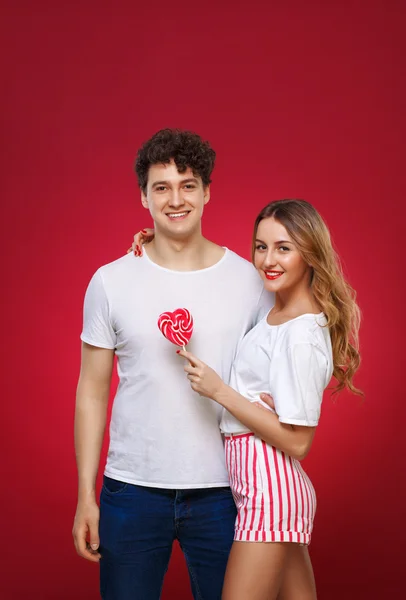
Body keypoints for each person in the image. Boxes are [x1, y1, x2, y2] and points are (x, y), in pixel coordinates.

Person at [72, 128, 274, 600]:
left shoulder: (248, 280)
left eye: (187, 185)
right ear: (144, 197)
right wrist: (86, 494)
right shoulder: (110, 281)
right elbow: (91, 391)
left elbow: (270, 375)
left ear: (206, 192)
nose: (175, 199)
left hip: (229, 489)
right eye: (161, 187)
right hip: (131, 490)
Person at [171, 199, 362, 599]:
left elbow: (298, 442)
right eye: (261, 246)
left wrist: (220, 390)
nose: (268, 260)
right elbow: (219, 272)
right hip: (262, 483)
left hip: (269, 489)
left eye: (284, 248)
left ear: (309, 253)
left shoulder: (301, 334)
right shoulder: (275, 314)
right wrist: (162, 242)